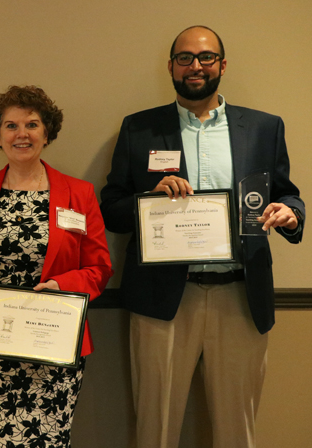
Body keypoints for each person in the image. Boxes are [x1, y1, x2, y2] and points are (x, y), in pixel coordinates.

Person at [100, 26, 305, 448]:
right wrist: (148, 200)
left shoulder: (264, 127)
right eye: (185, 58)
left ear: (222, 65)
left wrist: (291, 213)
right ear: (171, 66)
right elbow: (112, 208)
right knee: (155, 430)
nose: (195, 66)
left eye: (206, 57)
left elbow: (287, 194)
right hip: (164, 300)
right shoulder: (139, 129)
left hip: (241, 298)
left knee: (237, 431)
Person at [0, 85, 113, 448]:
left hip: (51, 341)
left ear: (46, 132)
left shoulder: (78, 193)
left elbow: (99, 268)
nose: (22, 134)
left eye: (32, 124)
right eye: (10, 126)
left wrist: (60, 287)